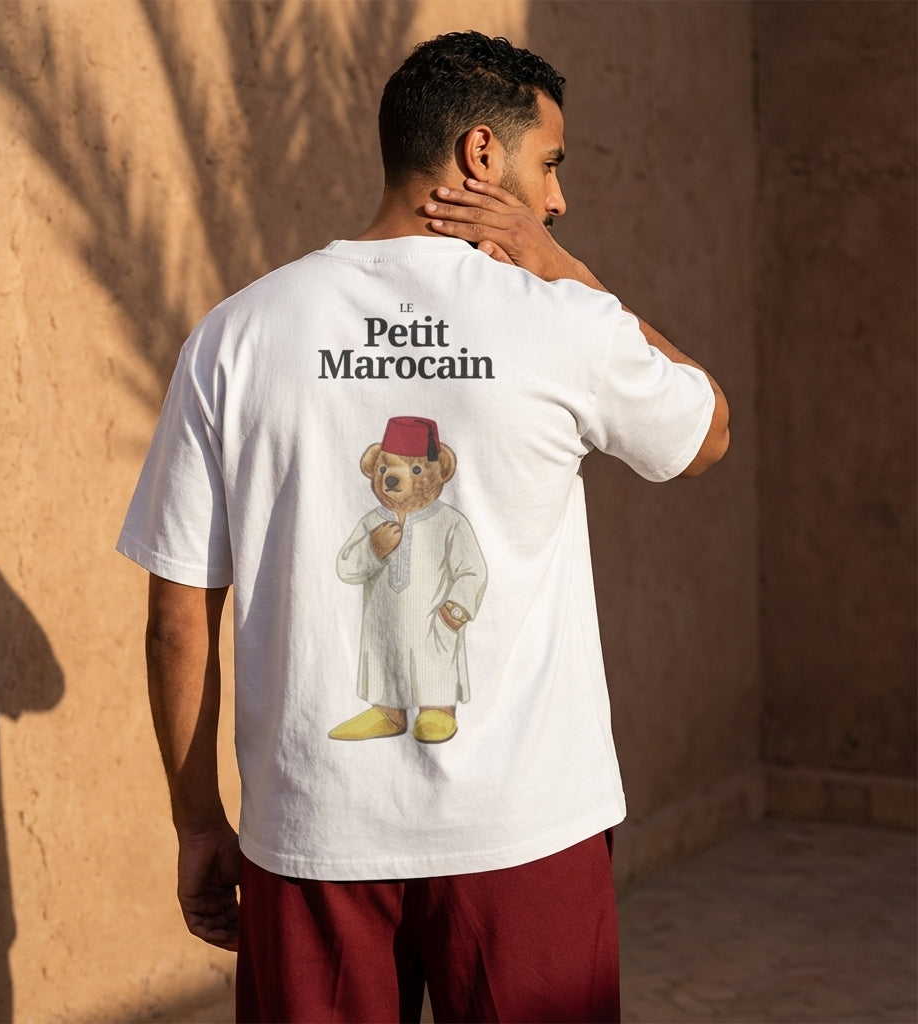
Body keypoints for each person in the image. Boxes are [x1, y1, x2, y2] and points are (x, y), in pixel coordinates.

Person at [117, 30, 729, 1024]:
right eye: (550, 166)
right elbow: (706, 432)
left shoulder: (238, 332)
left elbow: (177, 611)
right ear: (483, 155)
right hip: (524, 829)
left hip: (311, 831)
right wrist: (565, 271)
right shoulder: (561, 319)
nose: (557, 200)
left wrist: (197, 821)